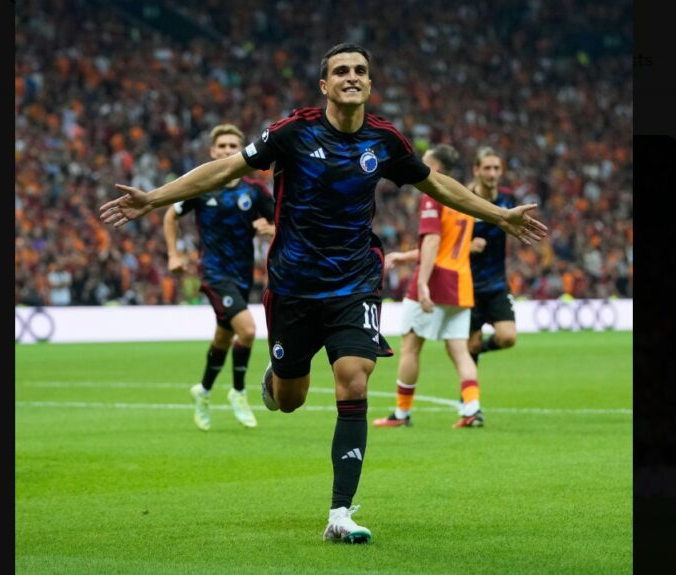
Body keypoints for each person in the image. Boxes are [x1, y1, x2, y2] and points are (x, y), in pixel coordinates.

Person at [100, 43, 547, 544]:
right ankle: (277, 378)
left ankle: (340, 513)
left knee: (353, 379)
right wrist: (153, 198)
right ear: (324, 84)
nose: (351, 77)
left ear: (370, 83)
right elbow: (225, 170)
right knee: (289, 399)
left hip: (355, 283)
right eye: (341, 71)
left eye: (360, 70)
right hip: (293, 287)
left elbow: (438, 186)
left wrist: (500, 216)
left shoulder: (385, 140)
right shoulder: (292, 132)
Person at [163, 124, 275, 430]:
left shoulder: (254, 190)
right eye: (222, 146)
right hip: (213, 273)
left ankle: (203, 391)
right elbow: (171, 214)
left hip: (242, 275)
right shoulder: (200, 186)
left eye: (232, 146)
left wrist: (271, 228)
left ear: (241, 151)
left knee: (224, 338)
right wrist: (173, 254)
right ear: (213, 152)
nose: (227, 150)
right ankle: (238, 392)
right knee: (247, 330)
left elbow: (284, 222)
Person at [372, 144, 484, 430]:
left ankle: (401, 413)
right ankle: (473, 409)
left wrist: (422, 283)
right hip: (461, 281)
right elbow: (448, 245)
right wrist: (406, 257)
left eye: (424, 163)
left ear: (435, 169)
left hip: (435, 279)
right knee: (459, 349)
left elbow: (433, 242)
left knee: (410, 345)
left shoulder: (433, 195)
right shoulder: (463, 196)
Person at [466, 147, 518, 365]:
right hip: (468, 285)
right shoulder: (464, 200)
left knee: (508, 337)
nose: (492, 173)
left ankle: (479, 349)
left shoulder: (507, 199)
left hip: (496, 284)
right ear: (476, 170)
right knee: (470, 344)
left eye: (496, 168)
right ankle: (468, 390)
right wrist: (467, 246)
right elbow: (447, 240)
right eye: (487, 168)